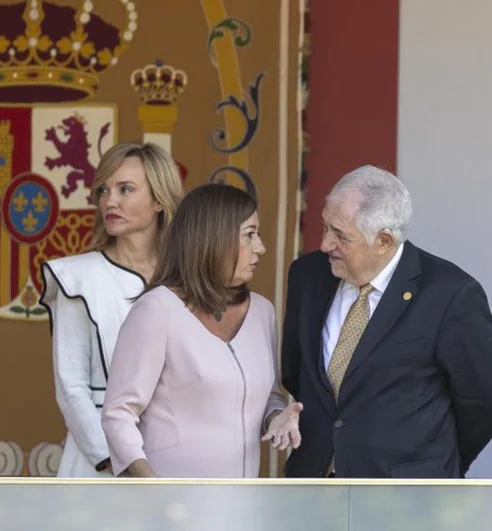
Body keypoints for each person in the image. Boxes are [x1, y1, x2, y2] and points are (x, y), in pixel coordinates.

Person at [281, 165, 492, 478]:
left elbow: (487, 402)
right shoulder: (307, 276)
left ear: (384, 241)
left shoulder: (450, 294)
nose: (325, 244)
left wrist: (435, 463)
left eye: (341, 236)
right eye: (325, 227)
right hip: (314, 483)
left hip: (404, 495)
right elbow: (296, 374)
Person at [101, 183, 303, 478]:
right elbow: (118, 413)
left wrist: (277, 417)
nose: (261, 247)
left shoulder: (262, 312)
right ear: (213, 239)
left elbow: (269, 397)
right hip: (172, 510)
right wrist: (150, 485)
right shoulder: (157, 309)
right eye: (250, 234)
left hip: (240, 508)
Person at [38, 142, 183, 477]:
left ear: (159, 199)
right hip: (100, 466)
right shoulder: (78, 278)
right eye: (104, 190)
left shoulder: (187, 280)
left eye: (125, 189)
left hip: (174, 456)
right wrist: (120, 462)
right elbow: (72, 388)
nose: (110, 201)